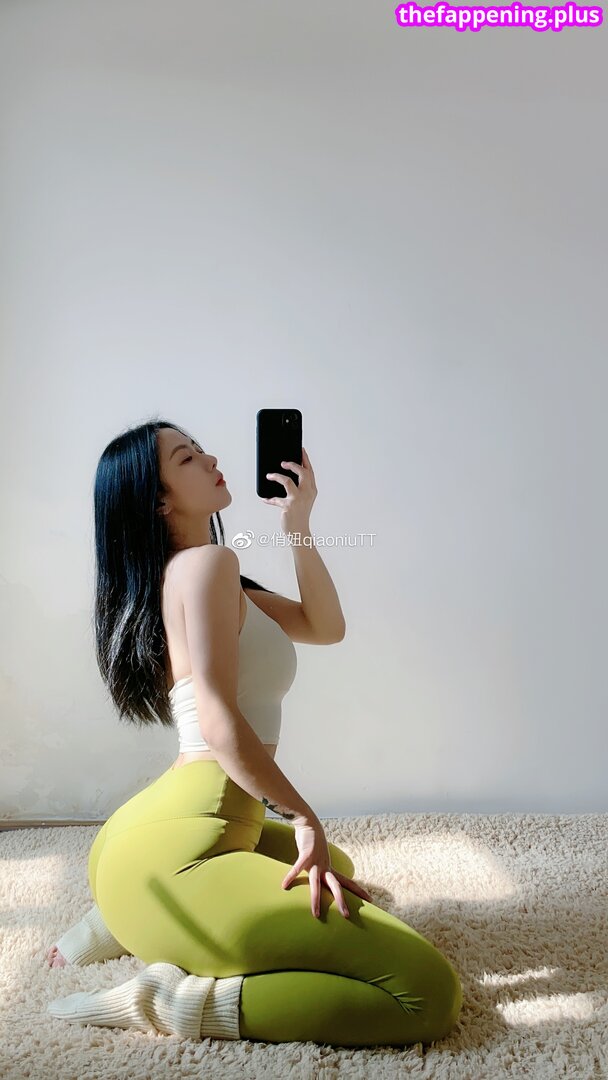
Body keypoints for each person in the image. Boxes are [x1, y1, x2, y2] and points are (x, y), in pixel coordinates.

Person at [46, 418, 463, 1048]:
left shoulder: (203, 574)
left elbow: (324, 627)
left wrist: (298, 525)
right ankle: (169, 998)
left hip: (149, 838)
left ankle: (115, 920)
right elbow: (217, 719)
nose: (211, 457)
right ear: (159, 501)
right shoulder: (207, 566)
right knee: (425, 994)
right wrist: (301, 814)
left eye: (198, 448)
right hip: (181, 849)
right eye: (187, 458)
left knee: (338, 867)